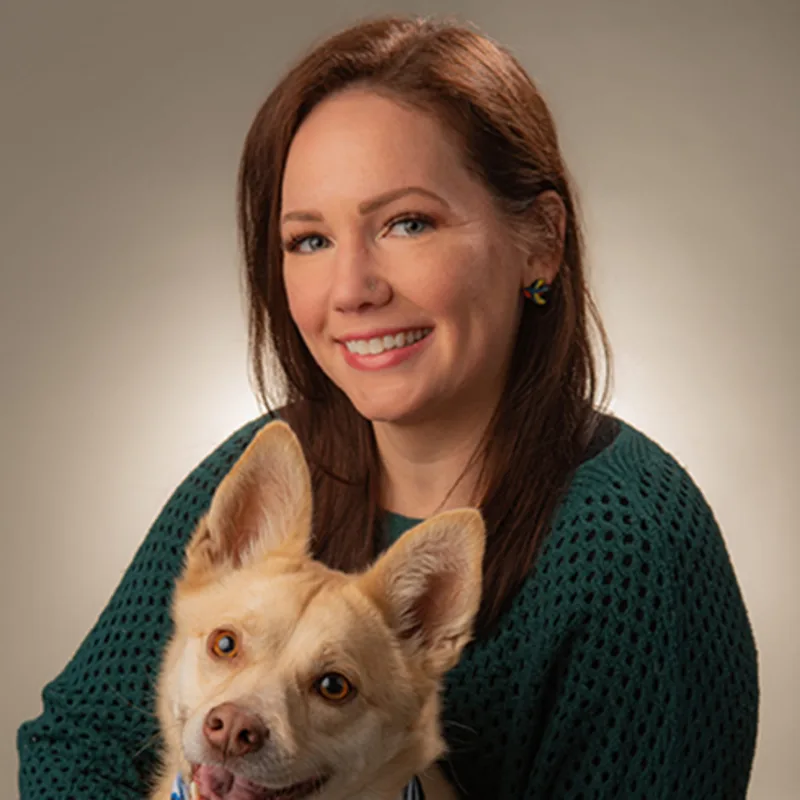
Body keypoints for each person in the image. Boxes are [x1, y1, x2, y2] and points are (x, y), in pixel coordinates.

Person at [17, 15, 758, 800]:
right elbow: (78, 736)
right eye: (310, 239)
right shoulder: (289, 453)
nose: (352, 288)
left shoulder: (625, 543)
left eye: (408, 223)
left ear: (540, 240)